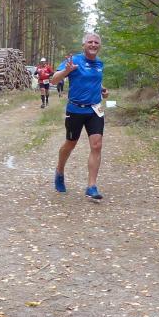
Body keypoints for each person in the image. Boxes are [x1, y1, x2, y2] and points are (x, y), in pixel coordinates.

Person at [50, 32, 109, 200]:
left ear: (99, 45)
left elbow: (95, 81)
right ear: (84, 45)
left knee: (97, 145)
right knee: (70, 143)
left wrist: (103, 90)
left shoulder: (99, 63)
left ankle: (91, 186)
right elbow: (53, 80)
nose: (93, 45)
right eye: (90, 42)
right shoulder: (74, 61)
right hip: (75, 110)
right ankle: (60, 171)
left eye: (96, 42)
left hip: (95, 110)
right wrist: (66, 71)